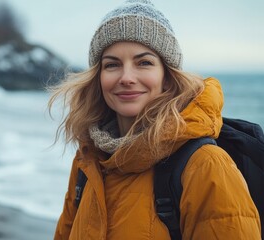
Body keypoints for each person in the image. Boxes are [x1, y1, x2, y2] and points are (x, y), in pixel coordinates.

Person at [47, 0, 261, 239]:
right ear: (98, 77)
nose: (126, 77)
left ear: (167, 77)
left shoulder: (205, 165)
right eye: (112, 65)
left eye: (144, 63)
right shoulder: (88, 159)